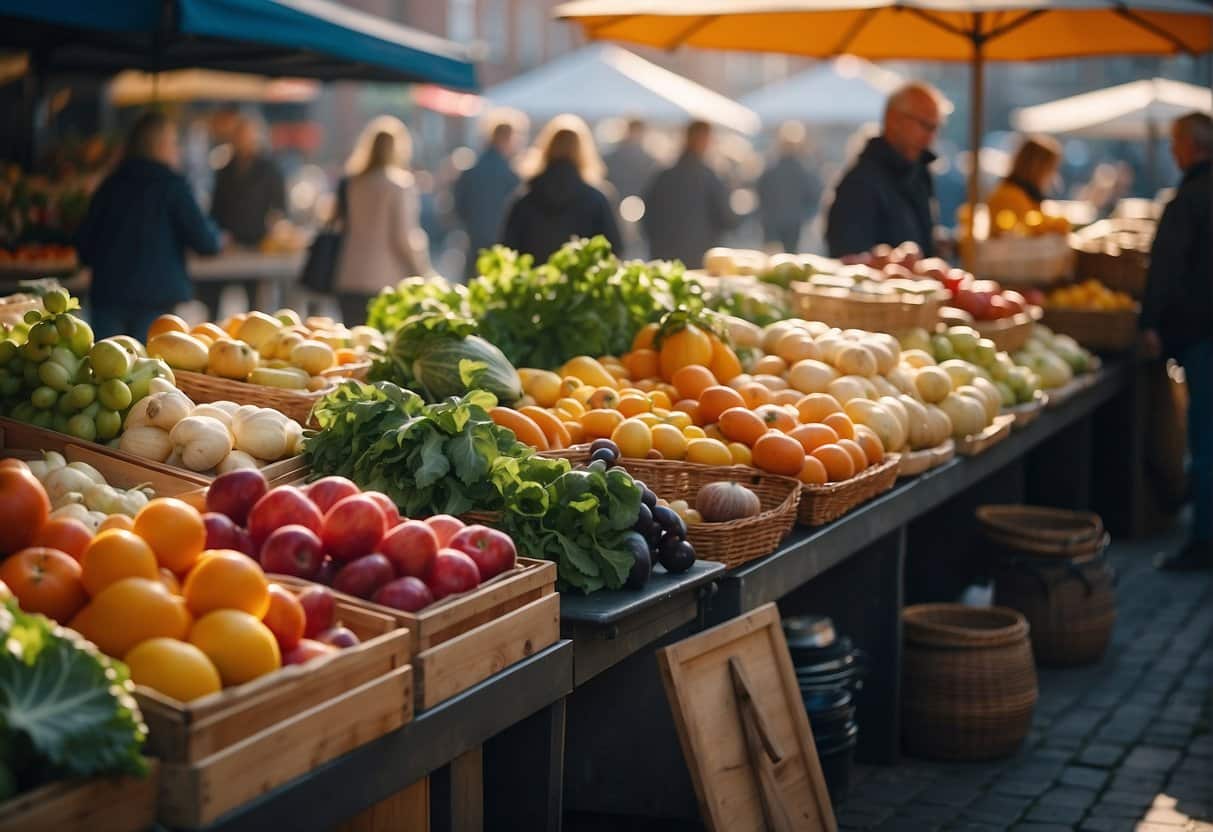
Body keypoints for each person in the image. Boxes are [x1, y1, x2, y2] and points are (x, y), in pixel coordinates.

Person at [76, 111, 221, 340]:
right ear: (160, 145)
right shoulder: (172, 186)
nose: (178, 149)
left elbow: (84, 247)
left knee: (103, 369)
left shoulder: (110, 184)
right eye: (174, 142)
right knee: (148, 371)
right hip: (156, 299)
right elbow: (206, 242)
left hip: (108, 295)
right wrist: (219, 236)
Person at [1142, 112, 1212, 571]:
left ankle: (1204, 542)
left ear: (1188, 146)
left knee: (1205, 444)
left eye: (1173, 143)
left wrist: (1150, 323)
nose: (1171, 151)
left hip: (1203, 335)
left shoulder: (1188, 199)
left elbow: (1164, 270)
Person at [825, 82, 946, 258]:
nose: (931, 136)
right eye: (925, 125)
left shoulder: (919, 174)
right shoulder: (861, 183)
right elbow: (849, 255)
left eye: (936, 127)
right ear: (893, 120)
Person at [333, 116, 431, 326]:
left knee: (351, 349)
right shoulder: (399, 185)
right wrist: (423, 272)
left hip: (349, 274)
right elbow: (403, 237)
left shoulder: (354, 183)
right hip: (383, 281)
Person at [500, 115, 621, 262]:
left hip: (535, 282)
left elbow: (508, 248)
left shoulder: (525, 199)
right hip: (580, 282)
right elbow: (613, 249)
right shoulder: (596, 200)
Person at [203, 115, 287, 317]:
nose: (242, 139)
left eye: (246, 135)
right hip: (228, 243)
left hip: (257, 241)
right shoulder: (224, 169)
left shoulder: (268, 168)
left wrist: (274, 231)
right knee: (214, 296)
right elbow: (215, 209)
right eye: (238, 135)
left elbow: (280, 206)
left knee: (256, 304)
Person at [643, 120, 739, 267]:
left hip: (663, 257)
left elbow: (647, 217)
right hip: (699, 258)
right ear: (705, 141)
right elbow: (726, 218)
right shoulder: (709, 177)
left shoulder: (663, 175)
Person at [454, 110, 524, 280]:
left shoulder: (471, 171)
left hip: (474, 247)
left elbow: (458, 208)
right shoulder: (511, 176)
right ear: (507, 138)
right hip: (501, 252)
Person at [756, 121, 823, 252]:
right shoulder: (804, 170)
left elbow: (760, 191)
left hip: (773, 222)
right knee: (790, 258)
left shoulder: (771, 169)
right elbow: (813, 195)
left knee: (772, 258)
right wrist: (804, 215)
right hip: (792, 222)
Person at [986, 135, 1062, 221]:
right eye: (1051, 168)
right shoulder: (1011, 197)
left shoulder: (1025, 194)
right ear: (1037, 167)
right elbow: (1022, 230)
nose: (1053, 175)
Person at [605, 118, 659, 203]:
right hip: (616, 204)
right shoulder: (611, 158)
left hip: (641, 204)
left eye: (638, 132)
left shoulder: (650, 161)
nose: (636, 135)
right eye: (634, 131)